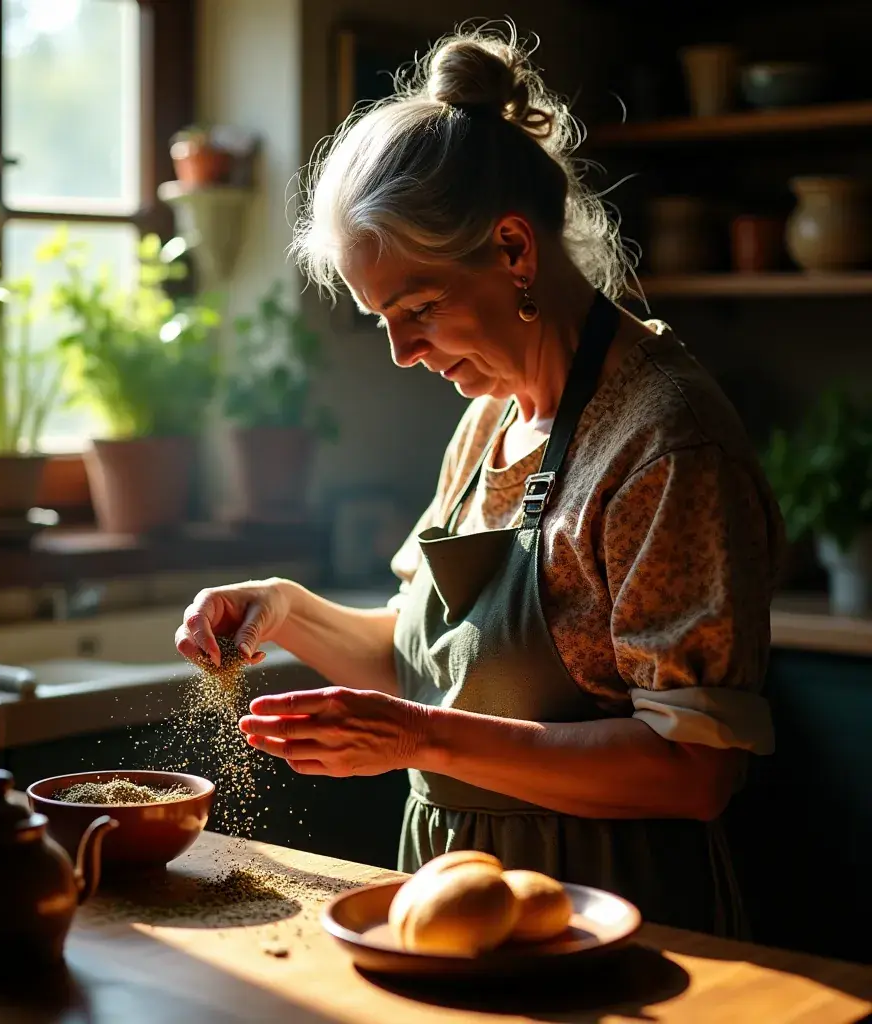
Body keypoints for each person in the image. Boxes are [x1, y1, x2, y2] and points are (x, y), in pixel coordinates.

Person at [175, 22, 784, 937]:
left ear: (512, 249)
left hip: (609, 918)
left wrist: (416, 739)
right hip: (449, 902)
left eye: (417, 308)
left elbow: (693, 772)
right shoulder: (493, 419)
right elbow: (428, 666)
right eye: (383, 317)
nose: (402, 351)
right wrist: (287, 611)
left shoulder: (663, 445)